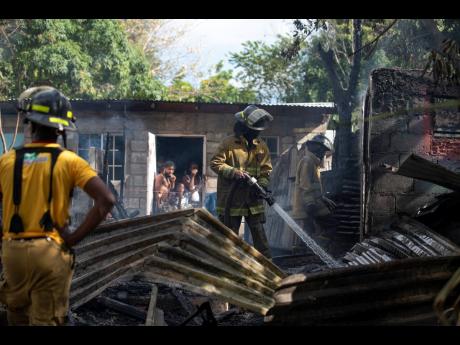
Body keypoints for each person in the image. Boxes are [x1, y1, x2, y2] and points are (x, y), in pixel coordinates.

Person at [0, 86, 115, 326]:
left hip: (13, 255)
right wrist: (73, 239)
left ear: (31, 123)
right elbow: (106, 200)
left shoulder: (7, 160)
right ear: (61, 128)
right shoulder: (70, 161)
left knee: (16, 318)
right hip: (50, 252)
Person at [210, 105, 274, 258]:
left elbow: (266, 170)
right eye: (254, 130)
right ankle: (230, 266)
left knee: (260, 236)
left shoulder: (262, 147)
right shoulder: (228, 144)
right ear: (244, 127)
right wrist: (234, 172)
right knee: (230, 238)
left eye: (259, 130)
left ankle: (268, 268)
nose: (257, 133)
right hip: (231, 201)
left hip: (253, 200)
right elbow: (215, 164)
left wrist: (263, 186)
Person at [291, 134, 337, 249]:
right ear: (317, 148)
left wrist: (324, 200)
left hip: (313, 204)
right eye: (323, 150)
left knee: (309, 232)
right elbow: (305, 185)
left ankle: (309, 252)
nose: (324, 153)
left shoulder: (313, 163)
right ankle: (318, 250)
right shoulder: (307, 161)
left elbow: (314, 188)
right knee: (330, 225)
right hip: (308, 206)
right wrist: (310, 204)